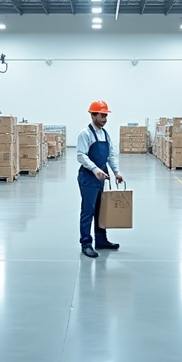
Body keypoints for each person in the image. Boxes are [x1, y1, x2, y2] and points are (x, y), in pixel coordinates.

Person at [76, 100, 124, 258]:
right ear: (92, 115)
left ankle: (101, 240)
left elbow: (110, 155)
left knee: (100, 210)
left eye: (105, 115)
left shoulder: (104, 134)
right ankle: (86, 243)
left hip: (101, 177)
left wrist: (116, 172)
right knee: (88, 211)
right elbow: (81, 155)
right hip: (88, 177)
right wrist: (95, 169)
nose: (104, 118)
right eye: (102, 115)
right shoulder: (85, 134)